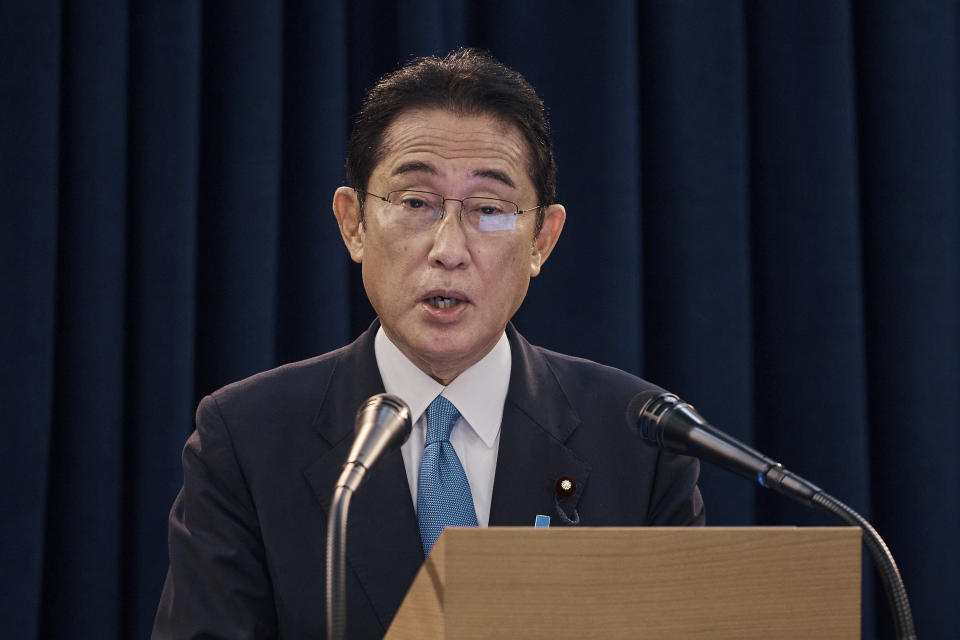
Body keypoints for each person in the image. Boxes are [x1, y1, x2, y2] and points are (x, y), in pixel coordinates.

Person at [152, 48, 704, 639]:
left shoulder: (641, 442)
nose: (448, 248)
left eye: (489, 209)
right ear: (354, 223)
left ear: (542, 238)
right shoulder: (246, 438)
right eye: (416, 203)